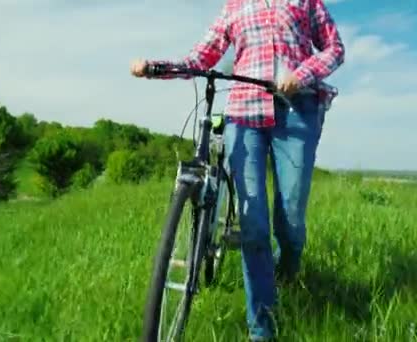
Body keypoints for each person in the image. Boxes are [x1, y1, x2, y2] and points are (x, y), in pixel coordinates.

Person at [131, 0, 344, 340]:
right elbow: (200, 59)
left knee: (289, 219)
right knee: (253, 223)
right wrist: (157, 67)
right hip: (245, 113)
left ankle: (288, 269)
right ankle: (262, 327)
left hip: (297, 111)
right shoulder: (234, 7)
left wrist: (300, 74)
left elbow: (334, 48)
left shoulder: (306, 2)